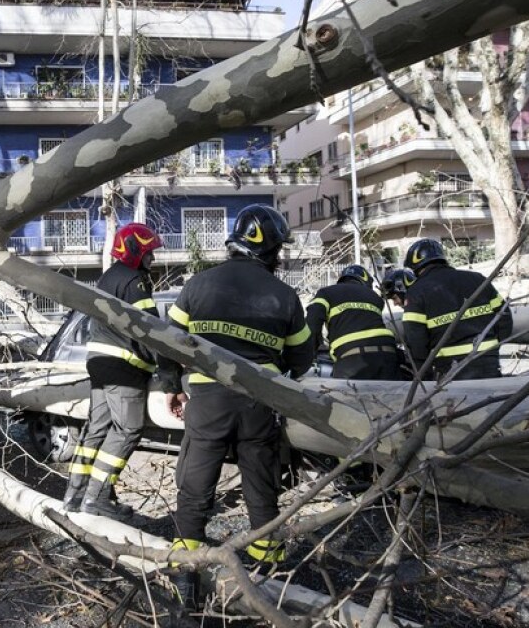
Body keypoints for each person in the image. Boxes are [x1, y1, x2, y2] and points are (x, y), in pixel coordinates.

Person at [156, 204, 314, 601]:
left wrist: (172, 384)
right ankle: (270, 576)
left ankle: (186, 578)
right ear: (272, 249)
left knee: (195, 488)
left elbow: (167, 342)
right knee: (261, 487)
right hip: (257, 408)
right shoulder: (285, 295)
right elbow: (302, 358)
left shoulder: (198, 285)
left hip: (206, 403)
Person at [62, 222, 162, 519]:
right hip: (125, 367)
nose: (152, 260)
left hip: (99, 363)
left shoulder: (107, 278)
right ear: (135, 251)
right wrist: (167, 366)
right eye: (149, 253)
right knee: (127, 429)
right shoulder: (135, 281)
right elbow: (151, 329)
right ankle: (98, 497)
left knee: (96, 430)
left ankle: (74, 495)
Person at [401, 238, 513, 380]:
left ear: (415, 268)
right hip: (487, 358)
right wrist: (494, 347)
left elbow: (415, 337)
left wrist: (424, 372)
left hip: (450, 365)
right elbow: (504, 316)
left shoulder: (416, 291)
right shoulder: (477, 279)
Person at [305, 264, 400, 380]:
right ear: (365, 282)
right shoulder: (375, 298)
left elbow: (312, 323)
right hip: (388, 354)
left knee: (348, 397)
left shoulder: (326, 292)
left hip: (351, 359)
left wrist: (308, 356)